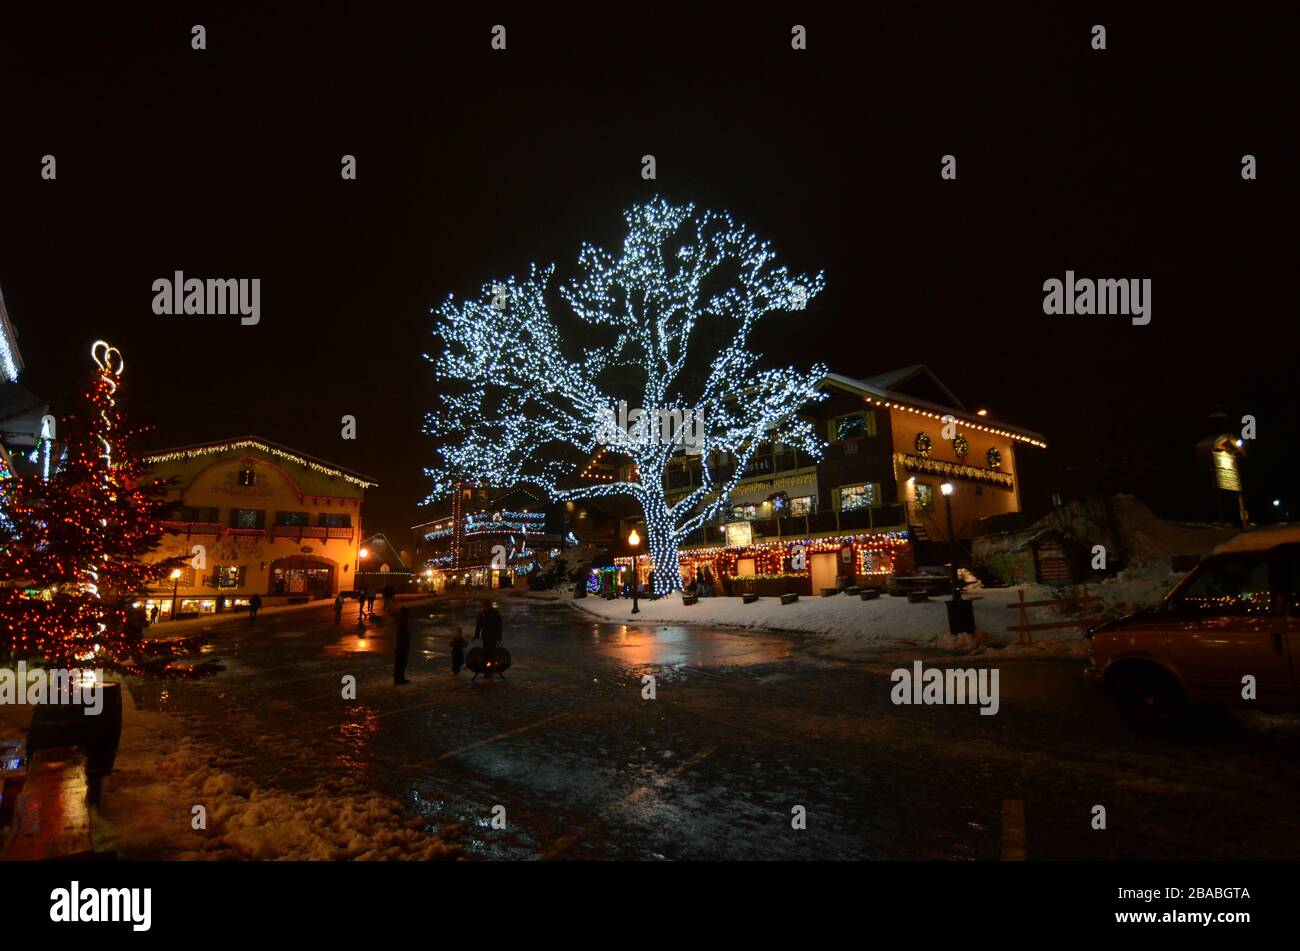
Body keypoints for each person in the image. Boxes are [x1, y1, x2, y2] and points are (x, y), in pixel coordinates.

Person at [473, 598, 503, 679]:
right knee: (486, 653)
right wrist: (476, 635)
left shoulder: (495, 612)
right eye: (484, 605)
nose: (485, 607)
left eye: (486, 605)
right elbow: (478, 625)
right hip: (486, 637)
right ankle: (487, 670)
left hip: (493, 636)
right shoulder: (481, 614)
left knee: (492, 653)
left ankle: (491, 670)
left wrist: (499, 635)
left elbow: (499, 624)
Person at [393, 607, 412, 685]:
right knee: (401, 663)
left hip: (400, 646)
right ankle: (400, 679)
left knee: (399, 663)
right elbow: (404, 635)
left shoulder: (402, 620)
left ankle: (398, 678)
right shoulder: (404, 621)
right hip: (402, 646)